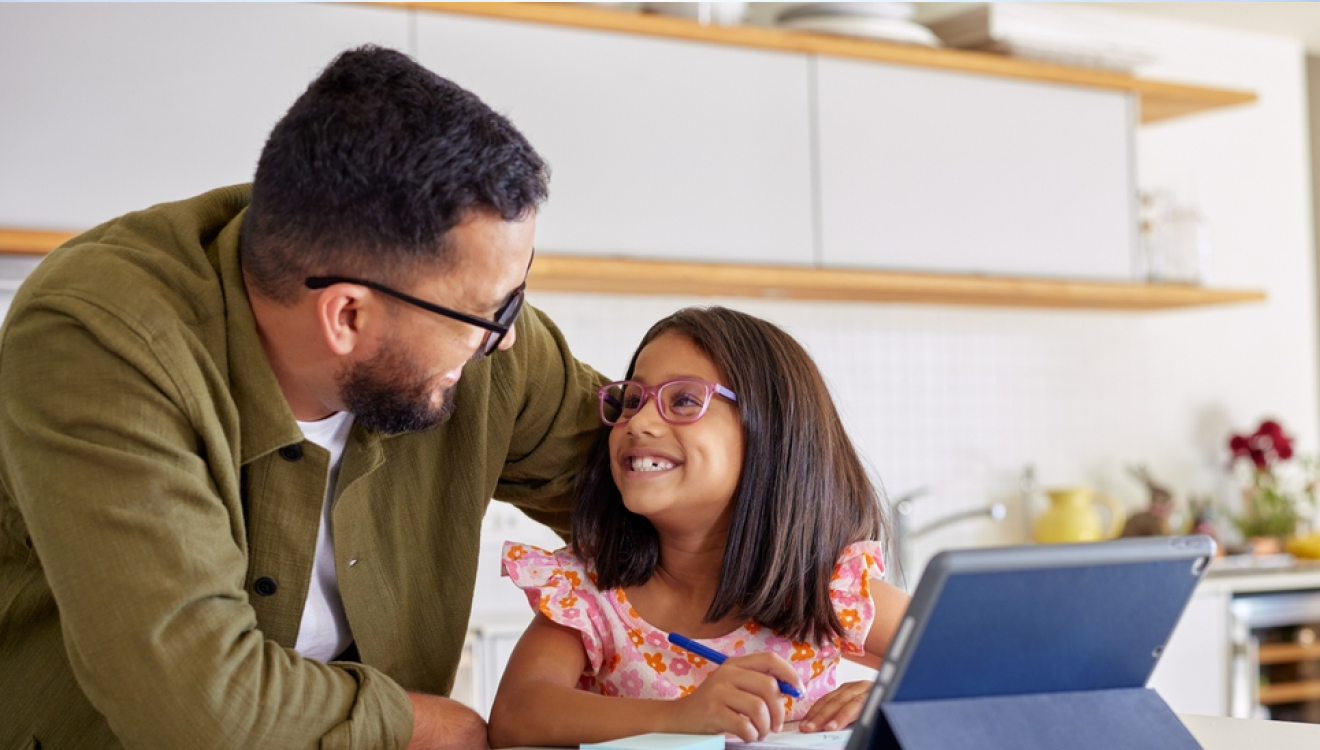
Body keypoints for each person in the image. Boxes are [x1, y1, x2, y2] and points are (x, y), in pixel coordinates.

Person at [0, 46, 604, 750]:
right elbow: (202, 707)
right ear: (347, 316)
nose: (506, 341)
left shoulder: (472, 326)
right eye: (489, 317)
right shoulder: (100, 340)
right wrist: (429, 727)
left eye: (518, 297)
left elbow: (666, 497)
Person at [488, 306, 912, 748]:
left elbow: (975, 669)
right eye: (632, 401)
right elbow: (517, 714)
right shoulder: (590, 592)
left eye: (685, 400)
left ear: (773, 433)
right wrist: (679, 716)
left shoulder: (826, 589)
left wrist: (893, 697)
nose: (639, 422)